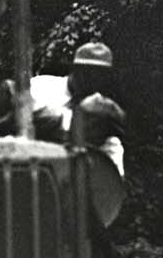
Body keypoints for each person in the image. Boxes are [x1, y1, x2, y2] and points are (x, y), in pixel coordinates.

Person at [30, 41, 125, 176]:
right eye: (87, 72)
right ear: (75, 69)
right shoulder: (40, 87)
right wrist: (69, 124)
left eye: (100, 74)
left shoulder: (101, 115)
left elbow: (113, 175)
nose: (93, 79)